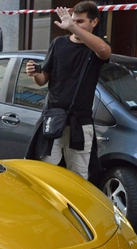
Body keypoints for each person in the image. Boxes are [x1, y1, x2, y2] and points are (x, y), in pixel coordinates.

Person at [25, 1, 111, 181]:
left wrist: (72, 27)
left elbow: (104, 51)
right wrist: (34, 73)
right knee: (45, 175)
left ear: (93, 22)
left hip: (80, 123)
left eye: (80, 22)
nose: (74, 25)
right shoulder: (58, 43)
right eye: (73, 21)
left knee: (78, 178)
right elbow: (43, 80)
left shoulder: (96, 47)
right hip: (53, 118)